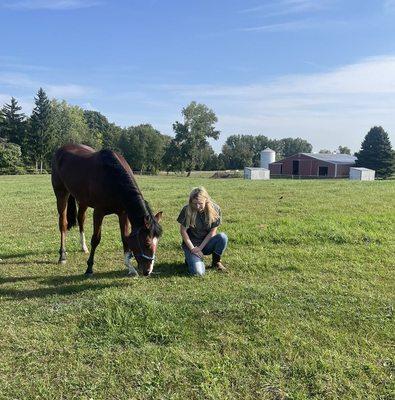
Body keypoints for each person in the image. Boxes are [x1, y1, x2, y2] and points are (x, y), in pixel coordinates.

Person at [177, 187, 228, 276]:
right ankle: (190, 259)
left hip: (207, 243)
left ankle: (216, 262)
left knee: (222, 237)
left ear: (206, 201)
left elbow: (213, 232)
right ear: (191, 201)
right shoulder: (186, 209)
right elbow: (183, 231)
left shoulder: (215, 209)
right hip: (191, 246)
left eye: (200, 203)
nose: (197, 206)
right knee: (198, 273)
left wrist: (200, 248)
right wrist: (193, 249)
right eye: (194, 203)